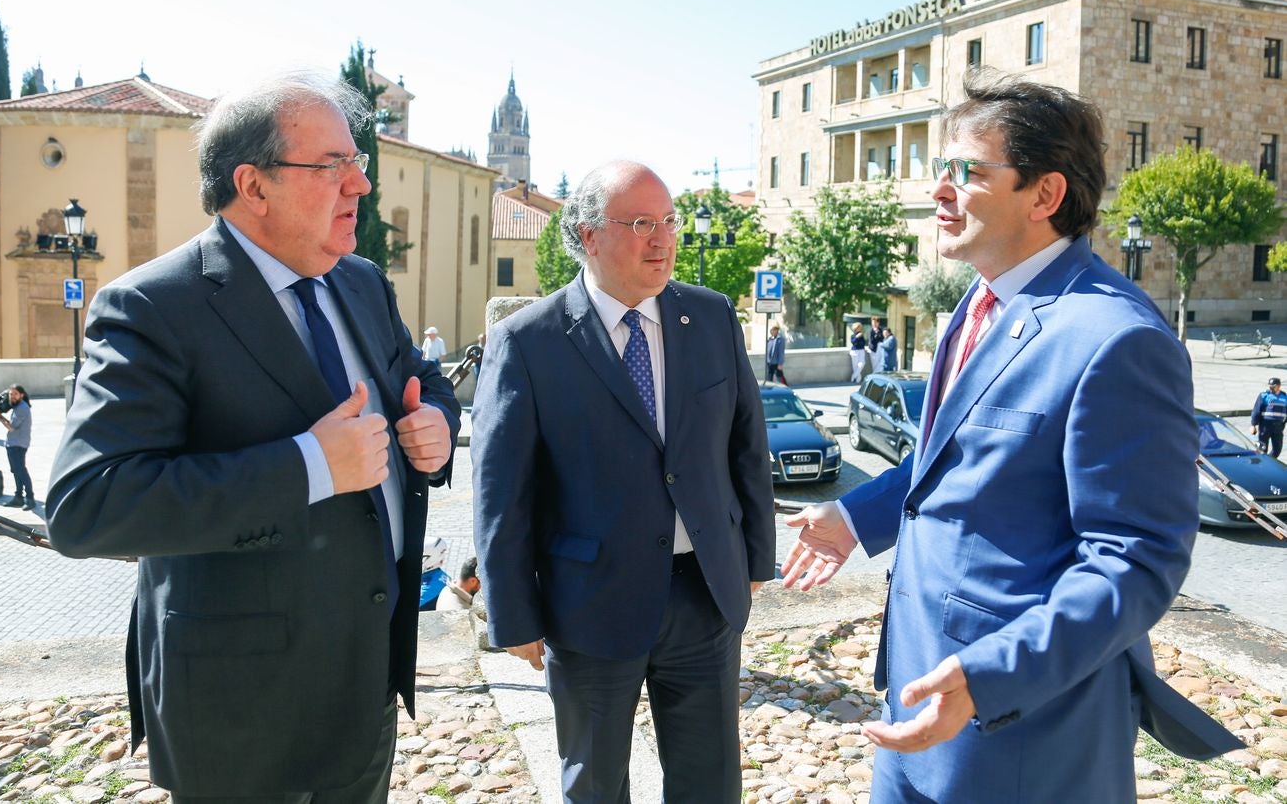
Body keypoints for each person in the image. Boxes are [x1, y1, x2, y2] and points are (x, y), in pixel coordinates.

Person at [780, 68, 1238, 803]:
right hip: (920, 689)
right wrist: (857, 518)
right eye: (941, 168)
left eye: (967, 172)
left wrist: (992, 674)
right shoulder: (980, 299)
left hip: (1022, 726)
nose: (939, 190)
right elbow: (959, 457)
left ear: (1045, 194)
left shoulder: (1117, 338)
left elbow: (1135, 560)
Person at [45, 71, 462, 803]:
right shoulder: (152, 307)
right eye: (333, 166)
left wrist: (437, 424)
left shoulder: (361, 282)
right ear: (253, 185)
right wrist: (310, 466)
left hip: (364, 687)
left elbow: (422, 377)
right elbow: (88, 506)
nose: (360, 185)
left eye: (358, 162)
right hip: (240, 712)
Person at [472, 160, 774, 803]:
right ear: (588, 236)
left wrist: (755, 560)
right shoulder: (528, 341)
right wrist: (513, 613)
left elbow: (747, 447)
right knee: (595, 785)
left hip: (705, 596)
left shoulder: (712, 317)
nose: (662, 239)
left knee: (711, 782)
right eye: (640, 224)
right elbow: (502, 493)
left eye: (669, 221)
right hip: (588, 606)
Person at [0, 384, 33, 508]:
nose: (12, 397)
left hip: (18, 444)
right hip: (13, 443)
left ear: (22, 395)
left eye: (15, 394)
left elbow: (11, 427)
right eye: (11, 394)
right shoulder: (18, 407)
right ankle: (18, 497)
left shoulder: (22, 408)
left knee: (21, 471)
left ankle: (30, 498)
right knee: (16, 471)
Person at [1251, 377, 1287, 458]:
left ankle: (1270, 461)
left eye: (1273, 387)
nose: (1271, 388)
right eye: (1270, 386)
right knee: (1262, 449)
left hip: (1278, 426)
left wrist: (1283, 424)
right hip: (1265, 425)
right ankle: (1263, 463)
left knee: (1277, 449)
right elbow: (1256, 410)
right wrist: (1253, 425)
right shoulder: (1264, 395)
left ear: (1278, 386)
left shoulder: (1284, 397)